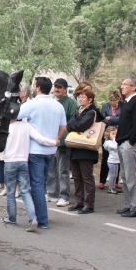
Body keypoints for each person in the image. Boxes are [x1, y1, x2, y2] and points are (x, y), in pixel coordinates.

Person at [17, 76, 67, 229]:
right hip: (51, 149)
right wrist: (57, 139)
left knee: (37, 184)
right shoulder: (58, 105)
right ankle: (40, 214)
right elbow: (63, 127)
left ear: (38, 88)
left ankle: (42, 219)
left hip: (35, 149)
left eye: (34, 85)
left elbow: (15, 116)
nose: (33, 87)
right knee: (42, 183)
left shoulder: (32, 104)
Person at [1, 114, 57, 231]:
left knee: (10, 191)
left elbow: (0, 146)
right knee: (25, 191)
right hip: (23, 161)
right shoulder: (26, 126)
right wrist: (54, 142)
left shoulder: (4, 127)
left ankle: (11, 217)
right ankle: (33, 218)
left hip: (10, 161)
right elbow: (40, 139)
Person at [65, 89, 104, 214]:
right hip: (75, 147)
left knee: (87, 177)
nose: (80, 99)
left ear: (90, 99)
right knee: (76, 177)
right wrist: (74, 124)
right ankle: (79, 201)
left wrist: (74, 124)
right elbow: (69, 124)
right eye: (79, 97)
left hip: (86, 148)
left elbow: (81, 125)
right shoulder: (78, 110)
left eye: (83, 97)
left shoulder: (92, 112)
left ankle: (89, 204)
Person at [116, 76, 136, 218]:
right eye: (122, 84)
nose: (122, 87)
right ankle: (129, 205)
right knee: (125, 176)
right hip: (122, 142)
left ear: (133, 87)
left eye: (125, 84)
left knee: (132, 176)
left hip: (129, 143)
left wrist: (132, 141)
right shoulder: (126, 102)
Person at [47, 78, 78, 207]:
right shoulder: (50, 102)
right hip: (49, 140)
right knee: (50, 168)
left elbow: (72, 121)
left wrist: (62, 136)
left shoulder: (70, 103)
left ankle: (64, 195)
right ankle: (52, 192)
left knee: (63, 170)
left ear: (65, 89)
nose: (57, 89)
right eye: (55, 87)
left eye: (60, 87)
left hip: (63, 142)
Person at [99, 90, 123, 190]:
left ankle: (115, 181)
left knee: (118, 158)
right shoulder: (106, 106)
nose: (112, 102)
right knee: (106, 157)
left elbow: (123, 119)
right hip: (108, 133)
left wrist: (111, 118)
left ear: (119, 99)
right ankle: (102, 180)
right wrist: (115, 118)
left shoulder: (123, 106)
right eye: (111, 100)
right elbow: (103, 118)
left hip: (119, 133)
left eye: (114, 100)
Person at [102, 126, 120, 194]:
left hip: (117, 160)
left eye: (116, 134)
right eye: (113, 134)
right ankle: (110, 187)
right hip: (111, 161)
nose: (115, 135)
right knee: (112, 175)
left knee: (115, 175)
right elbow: (116, 146)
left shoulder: (113, 141)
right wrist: (115, 139)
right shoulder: (108, 142)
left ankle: (113, 187)